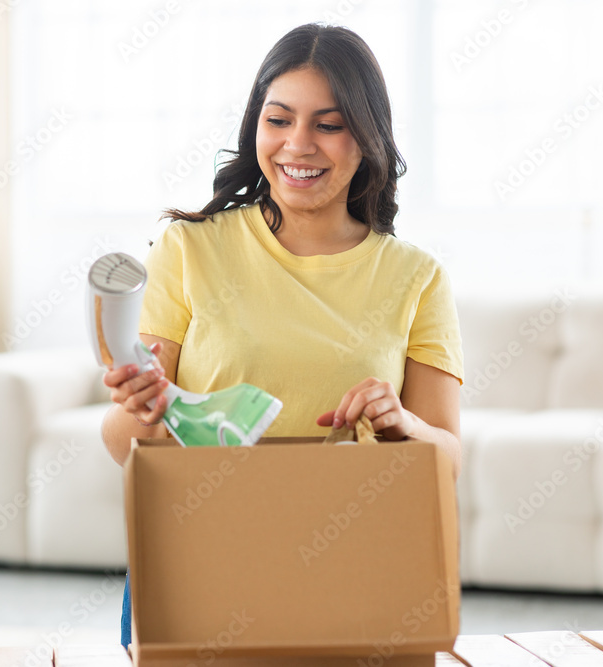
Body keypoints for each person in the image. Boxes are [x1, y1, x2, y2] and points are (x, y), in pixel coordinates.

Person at [99, 22, 464, 651]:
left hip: (352, 568)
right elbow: (122, 445)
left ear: (368, 137)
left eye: (328, 124)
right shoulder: (189, 249)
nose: (299, 145)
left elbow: (448, 461)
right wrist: (146, 412)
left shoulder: (417, 277)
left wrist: (402, 423)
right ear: (255, 129)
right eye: (279, 120)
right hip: (197, 563)